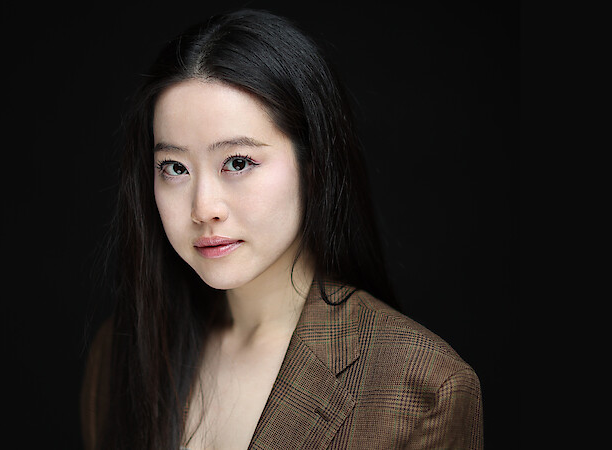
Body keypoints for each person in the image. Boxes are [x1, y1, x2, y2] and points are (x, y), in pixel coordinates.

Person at [81, 9, 482, 449]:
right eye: (174, 167)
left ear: (314, 166)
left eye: (238, 162)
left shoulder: (419, 386)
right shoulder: (121, 354)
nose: (203, 208)